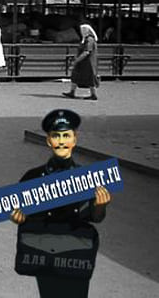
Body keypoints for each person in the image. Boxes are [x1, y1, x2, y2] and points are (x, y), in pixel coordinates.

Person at [10, 109, 111, 297]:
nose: (62, 141)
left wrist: (100, 205)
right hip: (44, 253)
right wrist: (18, 217)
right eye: (56, 136)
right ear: (49, 141)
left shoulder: (89, 179)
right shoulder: (32, 177)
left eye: (66, 135)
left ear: (75, 139)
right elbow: (21, 215)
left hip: (77, 254)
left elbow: (96, 218)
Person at [64, 23, 99, 100]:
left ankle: (93, 94)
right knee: (75, 76)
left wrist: (77, 59)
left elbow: (87, 51)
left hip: (88, 63)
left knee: (89, 78)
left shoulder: (90, 39)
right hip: (83, 62)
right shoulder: (85, 39)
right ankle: (72, 92)